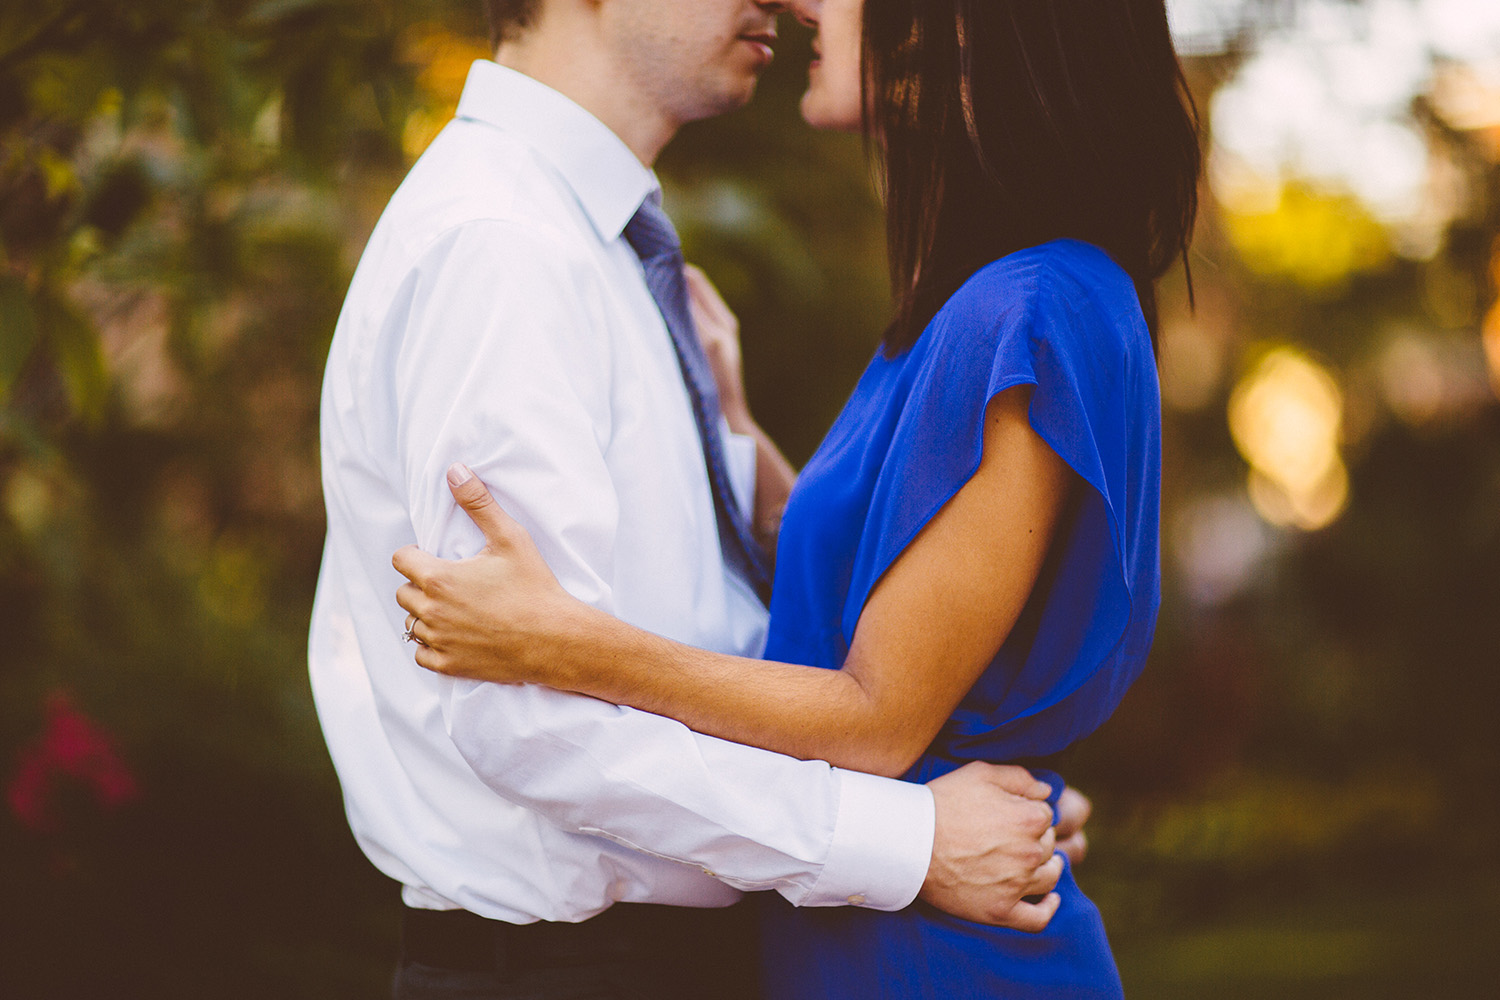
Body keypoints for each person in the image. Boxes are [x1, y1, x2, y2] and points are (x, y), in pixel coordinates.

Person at [391, 0, 1201, 996]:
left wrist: (568, 645)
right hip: (869, 924)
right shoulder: (980, 305)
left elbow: (877, 711)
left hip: (934, 952)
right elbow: (868, 580)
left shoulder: (1028, 310)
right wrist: (727, 427)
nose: (802, 3)